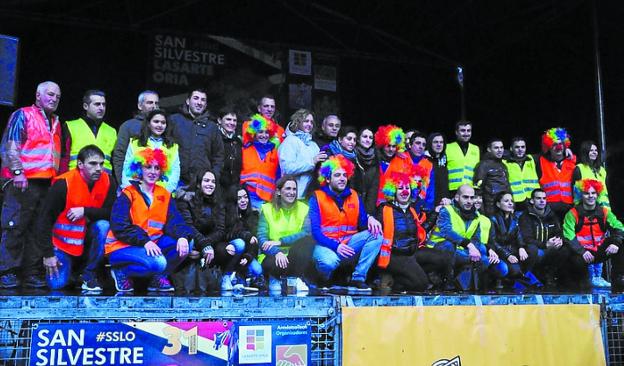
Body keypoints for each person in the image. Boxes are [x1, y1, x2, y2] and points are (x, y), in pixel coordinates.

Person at [0, 81, 62, 288]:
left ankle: (31, 273)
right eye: (50, 95)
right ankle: (7, 272)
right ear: (38, 96)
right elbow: (11, 146)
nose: (54, 99)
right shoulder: (23, 115)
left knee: (38, 228)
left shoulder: (55, 121)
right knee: (15, 226)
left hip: (45, 182)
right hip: (23, 181)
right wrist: (18, 172)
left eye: (57, 97)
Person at [105, 147, 193, 292]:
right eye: (148, 167)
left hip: (150, 245)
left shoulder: (164, 194)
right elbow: (120, 226)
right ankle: (122, 272)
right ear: (139, 168)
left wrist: (183, 237)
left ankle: (157, 278)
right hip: (121, 247)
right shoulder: (128, 194)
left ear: (162, 171)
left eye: (157, 168)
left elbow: (175, 222)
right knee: (158, 263)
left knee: (186, 244)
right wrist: (145, 241)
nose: (153, 172)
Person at [38, 145, 115, 291]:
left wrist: (85, 211)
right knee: (57, 285)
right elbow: (44, 221)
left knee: (103, 226)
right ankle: (74, 273)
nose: (99, 168)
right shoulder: (63, 184)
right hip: (62, 245)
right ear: (80, 164)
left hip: (86, 242)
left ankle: (88, 274)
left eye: (101, 164)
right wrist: (48, 255)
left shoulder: (108, 182)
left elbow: (112, 213)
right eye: (93, 163)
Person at [309, 155, 383, 291]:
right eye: (337, 175)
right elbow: (315, 232)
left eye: (344, 175)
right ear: (327, 178)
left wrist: (370, 218)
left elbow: (363, 223)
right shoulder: (317, 197)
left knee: (377, 234)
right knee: (329, 262)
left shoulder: (354, 195)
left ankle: (358, 278)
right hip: (326, 245)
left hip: (348, 245)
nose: (342, 178)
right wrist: (336, 246)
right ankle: (324, 279)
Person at [376, 170, 452, 293]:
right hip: (394, 256)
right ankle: (396, 282)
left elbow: (421, 231)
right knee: (421, 284)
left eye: (407, 188)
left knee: (443, 258)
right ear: (393, 191)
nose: (404, 191)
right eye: (400, 188)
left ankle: (403, 276)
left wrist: (436, 212)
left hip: (412, 253)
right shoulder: (384, 209)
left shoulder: (411, 210)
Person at [428, 184, 501, 291]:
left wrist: (474, 249)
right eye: (465, 197)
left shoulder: (476, 215)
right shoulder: (447, 210)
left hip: (460, 250)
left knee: (484, 260)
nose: (469, 201)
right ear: (457, 197)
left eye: (472, 198)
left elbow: (476, 238)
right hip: (437, 249)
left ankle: (464, 286)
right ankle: (445, 282)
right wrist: (470, 246)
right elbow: (446, 232)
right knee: (449, 245)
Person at [561, 179, 624, 293]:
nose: (590, 196)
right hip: (582, 254)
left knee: (621, 244)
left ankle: (619, 280)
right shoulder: (572, 214)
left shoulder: (604, 212)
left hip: (599, 251)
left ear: (597, 195)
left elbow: (619, 227)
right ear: (581, 195)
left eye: (593, 193)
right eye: (586, 193)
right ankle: (580, 284)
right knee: (566, 253)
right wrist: (582, 251)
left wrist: (616, 243)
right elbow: (568, 236)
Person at [258, 176, 315, 294]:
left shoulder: (303, 208)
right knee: (272, 263)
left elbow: (306, 232)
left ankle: (294, 279)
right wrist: (276, 251)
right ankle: (274, 278)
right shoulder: (267, 209)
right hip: (273, 254)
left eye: (294, 189)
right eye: (288, 189)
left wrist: (281, 241)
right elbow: (261, 238)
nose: (292, 192)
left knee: (308, 241)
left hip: (294, 254)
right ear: (279, 192)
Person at [175, 169, 227, 293]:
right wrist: (203, 245)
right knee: (188, 243)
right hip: (190, 239)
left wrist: (206, 245)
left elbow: (221, 230)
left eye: (213, 181)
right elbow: (188, 226)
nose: (210, 184)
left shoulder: (218, 202)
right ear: (198, 183)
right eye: (206, 180)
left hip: (208, 244)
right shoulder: (186, 200)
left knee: (226, 249)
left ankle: (219, 281)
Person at [572, 140, 611, 288]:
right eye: (591, 150)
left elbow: (605, 193)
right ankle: (590, 276)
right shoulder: (579, 169)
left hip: (603, 211)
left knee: (600, 243)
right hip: (586, 211)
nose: (594, 152)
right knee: (588, 243)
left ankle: (598, 276)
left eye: (596, 150)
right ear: (585, 152)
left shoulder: (601, 170)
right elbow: (575, 193)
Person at [170, 88, 224, 190]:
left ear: (206, 104)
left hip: (202, 184)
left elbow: (219, 155)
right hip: (176, 181)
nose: (199, 102)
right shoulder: (174, 120)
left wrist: (213, 176)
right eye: (196, 98)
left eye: (203, 100)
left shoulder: (212, 127)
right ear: (187, 101)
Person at [488, 191, 542, 290]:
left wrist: (521, 247)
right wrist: (507, 255)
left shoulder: (514, 218)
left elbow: (519, 236)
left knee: (532, 250)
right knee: (511, 269)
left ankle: (524, 277)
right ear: (498, 204)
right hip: (498, 253)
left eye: (512, 201)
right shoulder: (493, 219)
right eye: (506, 201)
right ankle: (505, 281)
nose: (510, 203)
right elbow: (492, 241)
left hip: (512, 250)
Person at [121, 109, 180, 193]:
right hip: (138, 192)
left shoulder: (172, 146)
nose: (160, 125)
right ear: (148, 124)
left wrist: (166, 192)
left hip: (163, 194)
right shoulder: (135, 143)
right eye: (156, 121)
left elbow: (175, 172)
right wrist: (129, 191)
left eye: (163, 122)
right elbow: (127, 169)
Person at [518, 188, 567, 289]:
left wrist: (559, 240)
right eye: (538, 198)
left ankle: (552, 278)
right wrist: (545, 244)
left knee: (565, 250)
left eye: (544, 198)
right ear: (532, 201)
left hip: (550, 247)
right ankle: (528, 278)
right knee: (533, 249)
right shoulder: (525, 216)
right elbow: (527, 238)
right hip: (536, 248)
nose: (542, 201)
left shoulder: (552, 215)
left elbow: (559, 232)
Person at [61, 90, 117, 174]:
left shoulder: (111, 131)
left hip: (104, 181)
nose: (101, 108)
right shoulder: (70, 126)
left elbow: (115, 161)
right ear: (85, 106)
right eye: (97, 104)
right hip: (76, 180)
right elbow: (63, 158)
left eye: (104, 104)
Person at [112, 90, 159, 185]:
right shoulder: (128, 126)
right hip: (133, 180)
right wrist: (123, 182)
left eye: (156, 103)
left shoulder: (162, 126)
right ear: (140, 106)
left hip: (158, 182)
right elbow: (119, 155)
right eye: (150, 102)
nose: (154, 106)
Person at [278, 109, 325, 199]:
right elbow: (287, 169)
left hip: (311, 195)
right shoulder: (290, 141)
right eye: (306, 121)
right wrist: (312, 162)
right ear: (298, 122)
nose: (309, 124)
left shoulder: (313, 145)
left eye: (311, 122)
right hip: (294, 196)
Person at [223, 185, 262, 290]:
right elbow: (227, 235)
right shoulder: (227, 215)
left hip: (245, 253)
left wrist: (248, 256)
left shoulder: (253, 215)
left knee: (257, 270)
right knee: (240, 243)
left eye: (245, 197)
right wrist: (246, 235)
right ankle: (226, 275)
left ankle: (241, 276)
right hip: (232, 251)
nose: (243, 200)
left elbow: (255, 240)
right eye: (239, 198)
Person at [240, 114, 281, 210]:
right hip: (248, 197)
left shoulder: (275, 152)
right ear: (254, 134)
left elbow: (278, 177)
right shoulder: (244, 151)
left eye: (267, 132)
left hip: (268, 199)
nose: (264, 135)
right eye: (260, 132)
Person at [534, 127, 576, 220]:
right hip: (549, 209)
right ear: (548, 146)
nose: (558, 147)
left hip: (569, 208)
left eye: (561, 144)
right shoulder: (540, 161)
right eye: (554, 144)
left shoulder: (572, 161)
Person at [473, 138, 511, 216]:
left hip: (504, 207)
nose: (500, 150)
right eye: (496, 148)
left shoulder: (503, 165)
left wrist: (512, 205)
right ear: (489, 149)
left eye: (501, 147)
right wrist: (482, 212)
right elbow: (478, 190)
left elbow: (508, 187)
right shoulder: (483, 165)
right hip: (490, 208)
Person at [375, 124, 411, 205]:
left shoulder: (403, 160)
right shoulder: (374, 159)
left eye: (394, 146)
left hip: (394, 205)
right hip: (375, 203)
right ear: (383, 145)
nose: (391, 149)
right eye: (388, 146)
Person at [502, 137, 540, 211]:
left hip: (532, 200)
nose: (520, 149)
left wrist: (566, 149)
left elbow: (548, 154)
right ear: (511, 149)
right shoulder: (505, 162)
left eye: (523, 147)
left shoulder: (532, 159)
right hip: (516, 202)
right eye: (517, 147)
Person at [446, 120, 480, 192]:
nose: (466, 133)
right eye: (463, 130)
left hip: (470, 190)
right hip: (452, 189)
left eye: (468, 130)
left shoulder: (476, 149)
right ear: (456, 132)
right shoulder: (447, 148)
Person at [353, 127, 379, 215]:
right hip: (352, 204)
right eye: (365, 137)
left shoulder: (376, 158)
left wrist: (368, 214)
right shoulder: (352, 156)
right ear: (358, 139)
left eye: (370, 138)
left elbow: (373, 188)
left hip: (368, 205)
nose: (368, 140)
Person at [407, 131, 435, 212]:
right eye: (418, 143)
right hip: (400, 207)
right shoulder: (401, 159)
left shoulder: (429, 164)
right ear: (410, 145)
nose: (421, 147)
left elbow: (430, 188)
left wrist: (428, 207)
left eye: (423, 144)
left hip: (420, 207)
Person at [216, 108, 242, 193]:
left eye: (234, 120)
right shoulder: (214, 138)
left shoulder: (238, 140)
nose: (232, 123)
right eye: (228, 119)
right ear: (219, 120)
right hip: (217, 186)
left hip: (234, 187)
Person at [426, 132, 451, 208]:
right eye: (435, 142)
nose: (439, 144)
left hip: (444, 203)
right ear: (430, 144)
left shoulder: (444, 161)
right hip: (429, 204)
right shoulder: (425, 161)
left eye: (441, 142)